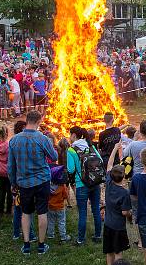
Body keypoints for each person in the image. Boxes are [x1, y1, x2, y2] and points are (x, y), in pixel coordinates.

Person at [7, 110, 58, 256]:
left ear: (27, 120)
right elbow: (53, 157)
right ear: (39, 121)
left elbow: (11, 166)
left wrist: (13, 182)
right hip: (42, 180)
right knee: (42, 212)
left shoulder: (14, 140)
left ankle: (27, 244)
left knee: (26, 212)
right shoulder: (42, 139)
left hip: (24, 182)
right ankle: (41, 245)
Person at [67, 126, 103, 245]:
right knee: (96, 210)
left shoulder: (71, 150)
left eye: (70, 134)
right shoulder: (90, 146)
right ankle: (98, 236)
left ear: (74, 135)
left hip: (81, 184)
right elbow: (101, 160)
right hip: (94, 182)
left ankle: (80, 239)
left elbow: (71, 169)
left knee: (82, 212)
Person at [102, 165, 131, 265]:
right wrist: (129, 214)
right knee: (118, 252)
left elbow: (109, 165)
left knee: (109, 251)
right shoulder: (124, 193)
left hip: (108, 224)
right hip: (118, 227)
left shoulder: (109, 184)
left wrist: (115, 148)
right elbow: (124, 212)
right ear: (123, 177)